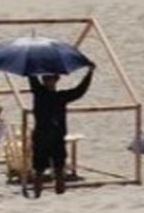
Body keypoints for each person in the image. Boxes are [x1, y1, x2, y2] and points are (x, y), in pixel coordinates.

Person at [28, 63, 95, 197]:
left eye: (51, 78)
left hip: (56, 137)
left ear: (57, 79)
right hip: (41, 137)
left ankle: (59, 195)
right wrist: (31, 67)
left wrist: (89, 73)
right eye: (47, 79)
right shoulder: (39, 92)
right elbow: (31, 77)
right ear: (43, 80)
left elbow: (79, 91)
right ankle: (37, 196)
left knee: (59, 169)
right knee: (39, 170)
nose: (49, 81)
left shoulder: (60, 96)